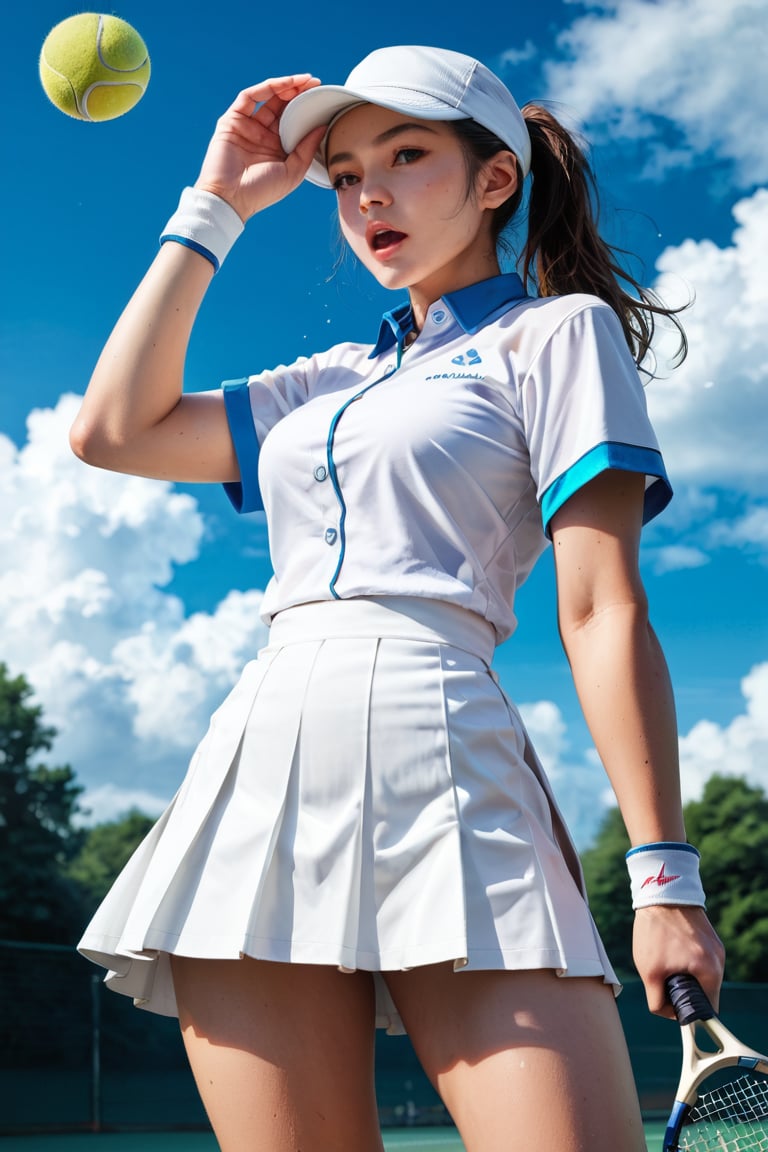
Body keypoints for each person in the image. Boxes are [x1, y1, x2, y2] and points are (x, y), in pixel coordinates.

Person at [71, 45, 724, 1152]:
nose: (368, 190)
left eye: (408, 154)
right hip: (258, 772)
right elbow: (111, 431)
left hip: (447, 753)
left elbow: (602, 610)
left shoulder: (557, 333)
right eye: (344, 175)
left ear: (495, 180)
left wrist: (665, 879)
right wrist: (218, 206)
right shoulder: (319, 380)